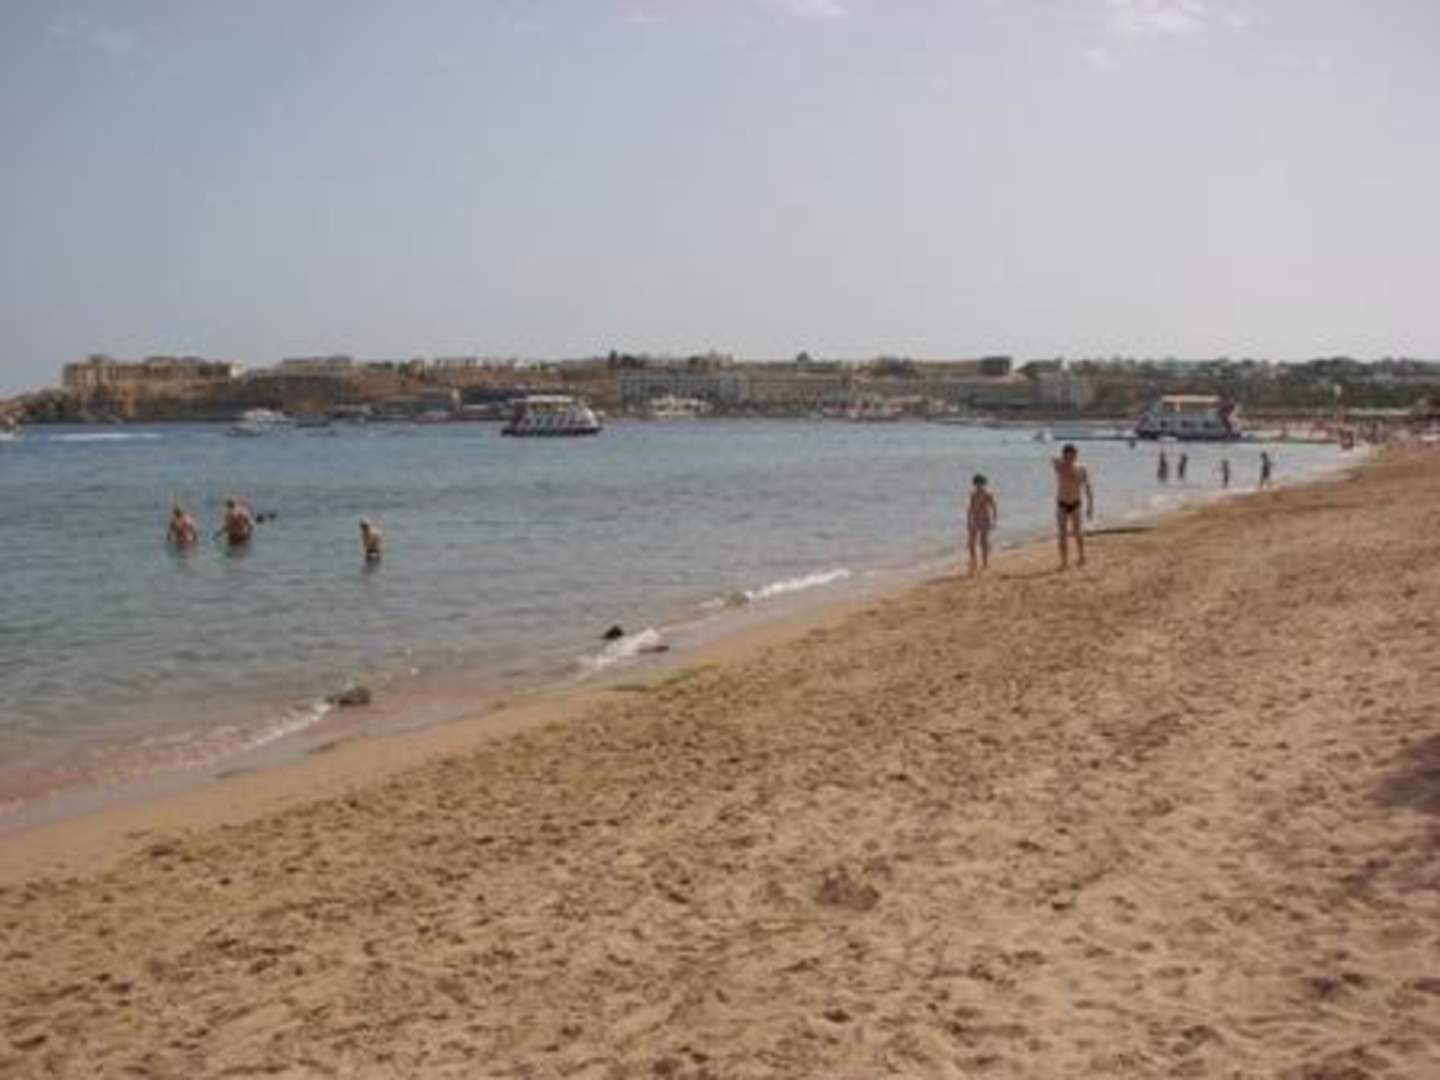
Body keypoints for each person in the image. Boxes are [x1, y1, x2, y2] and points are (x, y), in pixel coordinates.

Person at [1053, 443, 1094, 570]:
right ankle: (1064, 562)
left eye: (1073, 455)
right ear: (1064, 455)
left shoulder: (1081, 469)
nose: (1071, 458)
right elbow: (1052, 459)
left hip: (1076, 503)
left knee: (1078, 532)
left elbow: (1087, 487)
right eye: (1068, 456)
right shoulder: (1060, 466)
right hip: (1062, 503)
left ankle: (1081, 556)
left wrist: (1090, 506)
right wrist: (1064, 461)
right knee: (1062, 533)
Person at [965, 474, 998, 575]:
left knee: (983, 542)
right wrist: (968, 520)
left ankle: (985, 563)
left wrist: (994, 520)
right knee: (971, 542)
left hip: (985, 519)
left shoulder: (988, 494)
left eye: (980, 484)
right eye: (976, 484)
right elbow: (970, 508)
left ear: (983, 483)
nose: (978, 486)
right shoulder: (973, 494)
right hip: (975, 519)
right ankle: (974, 560)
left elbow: (993, 507)